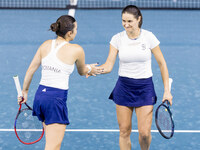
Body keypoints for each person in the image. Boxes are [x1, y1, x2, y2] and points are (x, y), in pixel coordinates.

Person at [17, 15, 103, 150]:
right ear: (70, 32)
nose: (77, 31)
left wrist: (25, 91)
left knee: (50, 144)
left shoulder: (45, 45)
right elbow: (82, 71)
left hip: (40, 98)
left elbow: (30, 71)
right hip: (55, 100)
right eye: (76, 29)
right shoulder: (77, 50)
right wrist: (91, 69)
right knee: (52, 147)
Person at [99, 5, 173, 150]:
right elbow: (108, 66)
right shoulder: (117, 39)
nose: (126, 24)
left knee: (144, 133)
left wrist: (166, 91)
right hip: (124, 87)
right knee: (124, 131)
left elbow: (162, 64)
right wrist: (93, 70)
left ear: (138, 19)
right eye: (123, 21)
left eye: (130, 21)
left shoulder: (149, 37)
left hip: (145, 88)